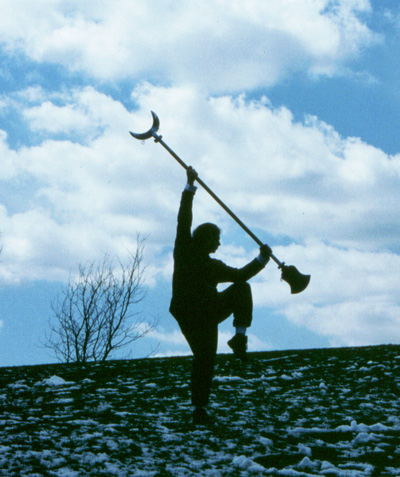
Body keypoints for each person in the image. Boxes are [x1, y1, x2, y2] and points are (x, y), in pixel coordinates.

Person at [169, 166, 272, 425]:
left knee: (206, 358)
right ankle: (200, 409)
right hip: (192, 315)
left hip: (206, 314)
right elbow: (184, 219)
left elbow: (240, 277)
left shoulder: (213, 266)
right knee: (204, 359)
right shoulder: (184, 251)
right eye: (216, 238)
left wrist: (262, 259)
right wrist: (189, 187)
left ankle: (239, 340)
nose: (219, 243)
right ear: (205, 239)